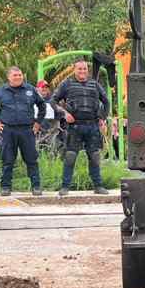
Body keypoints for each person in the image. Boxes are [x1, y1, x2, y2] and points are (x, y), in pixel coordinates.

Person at [52, 59, 110, 196]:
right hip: (74, 127)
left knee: (95, 156)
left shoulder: (95, 84)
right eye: (79, 69)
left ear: (87, 70)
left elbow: (106, 101)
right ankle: (65, 187)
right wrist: (64, 113)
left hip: (92, 126)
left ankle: (98, 186)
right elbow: (53, 101)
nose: (82, 71)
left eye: (84, 69)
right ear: (74, 70)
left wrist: (102, 117)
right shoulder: (66, 84)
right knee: (70, 156)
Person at [0, 66, 46, 196]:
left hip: (27, 130)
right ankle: (6, 187)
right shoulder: (0, 91)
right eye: (15, 75)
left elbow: (42, 105)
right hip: (8, 130)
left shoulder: (30, 89)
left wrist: (38, 122)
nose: (18, 77)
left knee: (31, 159)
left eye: (20, 75)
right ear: (9, 77)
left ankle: (36, 186)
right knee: (7, 160)